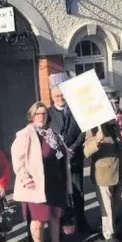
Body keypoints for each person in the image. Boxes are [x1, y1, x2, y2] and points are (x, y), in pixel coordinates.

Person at [12, 102, 72, 242]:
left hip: (55, 184)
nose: (41, 116)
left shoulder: (52, 134)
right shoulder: (25, 134)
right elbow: (18, 160)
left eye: (44, 113)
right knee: (37, 222)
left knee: (55, 218)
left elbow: (61, 153)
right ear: (31, 116)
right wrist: (25, 178)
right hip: (36, 186)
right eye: (37, 113)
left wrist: (67, 155)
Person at [47, 86, 90, 233]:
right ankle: (62, 227)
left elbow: (83, 131)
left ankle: (82, 223)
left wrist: (73, 147)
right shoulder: (48, 114)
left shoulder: (75, 110)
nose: (60, 98)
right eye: (57, 96)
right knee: (61, 194)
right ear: (52, 97)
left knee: (79, 192)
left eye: (62, 95)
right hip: (58, 163)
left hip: (74, 157)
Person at [84, 118, 122, 242]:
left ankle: (113, 228)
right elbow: (86, 151)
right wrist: (96, 140)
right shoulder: (94, 127)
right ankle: (109, 233)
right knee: (106, 206)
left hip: (118, 171)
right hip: (103, 173)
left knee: (115, 203)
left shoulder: (115, 126)